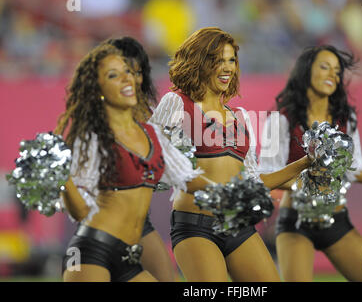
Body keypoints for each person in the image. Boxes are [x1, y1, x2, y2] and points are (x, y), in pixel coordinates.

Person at [150, 27, 312, 282]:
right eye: (218, 60)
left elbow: (253, 183)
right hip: (195, 225)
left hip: (238, 226)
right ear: (200, 62)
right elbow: (151, 159)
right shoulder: (177, 102)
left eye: (231, 60)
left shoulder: (240, 117)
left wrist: (305, 163)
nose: (227, 68)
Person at [55, 42, 211, 282]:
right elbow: (80, 211)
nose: (128, 78)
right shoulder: (92, 137)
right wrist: (62, 179)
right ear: (98, 88)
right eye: (114, 75)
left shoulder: (150, 130)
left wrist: (232, 193)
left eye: (131, 72)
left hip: (131, 244)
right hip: (94, 248)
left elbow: (187, 177)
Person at [258, 45, 362, 282]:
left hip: (337, 219)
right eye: (324, 67)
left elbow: (356, 170)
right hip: (297, 220)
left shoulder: (346, 117)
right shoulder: (281, 118)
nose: (332, 75)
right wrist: (309, 182)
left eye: (337, 71)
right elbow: (268, 173)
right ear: (306, 72)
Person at [106, 36, 175, 282]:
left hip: (138, 219)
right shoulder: (98, 113)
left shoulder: (149, 112)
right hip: (106, 222)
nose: (131, 79)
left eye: (137, 71)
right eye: (123, 71)